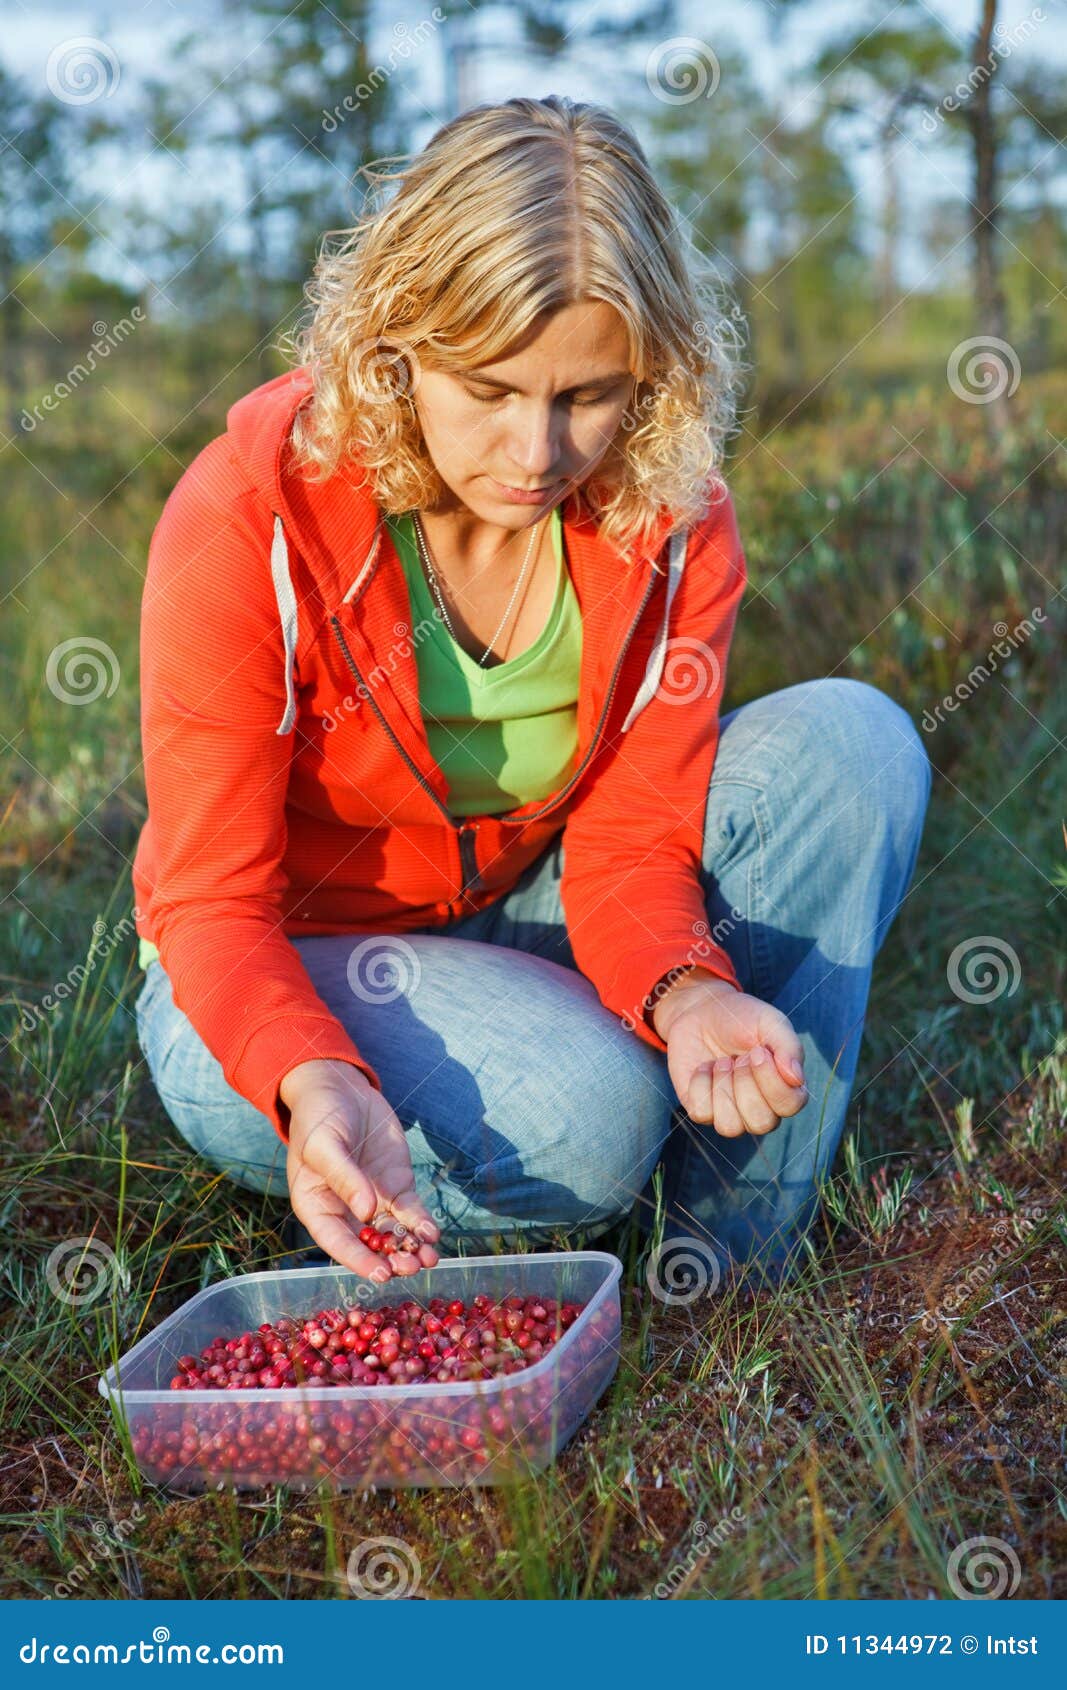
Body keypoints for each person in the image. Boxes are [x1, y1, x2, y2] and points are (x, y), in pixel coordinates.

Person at [131, 95, 931, 1289]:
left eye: (587, 396)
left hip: (519, 908)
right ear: (397, 345)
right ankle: (567, 1169)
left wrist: (690, 991)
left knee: (854, 745)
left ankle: (722, 1269)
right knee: (595, 1117)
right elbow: (209, 901)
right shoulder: (250, 516)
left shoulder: (668, 519)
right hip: (275, 960)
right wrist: (319, 1073)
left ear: (652, 375)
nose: (536, 453)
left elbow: (629, 841)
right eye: (491, 390)